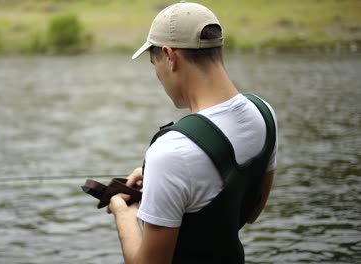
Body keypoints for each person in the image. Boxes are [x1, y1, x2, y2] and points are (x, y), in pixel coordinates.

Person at [107, 1, 278, 263]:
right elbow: (251, 212)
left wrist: (123, 212)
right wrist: (160, 180)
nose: (158, 76)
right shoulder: (264, 113)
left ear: (170, 56)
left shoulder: (171, 153)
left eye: (154, 63)